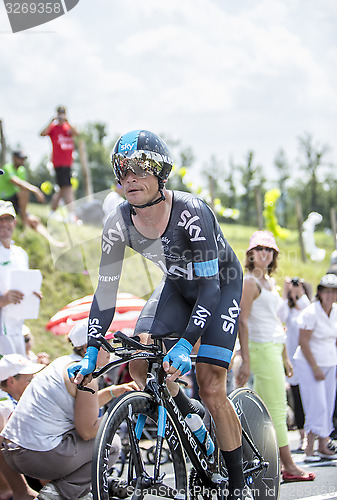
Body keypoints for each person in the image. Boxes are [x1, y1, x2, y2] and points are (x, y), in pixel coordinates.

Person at [68, 129, 252, 500]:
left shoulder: (192, 212)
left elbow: (210, 289)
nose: (130, 177)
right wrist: (91, 347)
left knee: (212, 383)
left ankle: (238, 486)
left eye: (140, 168)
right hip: (177, 286)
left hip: (218, 286)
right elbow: (106, 293)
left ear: (161, 174)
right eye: (123, 169)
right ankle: (192, 418)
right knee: (139, 364)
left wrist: (186, 343)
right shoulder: (117, 222)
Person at [1, 320, 138, 500]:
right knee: (112, 443)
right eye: (107, 343)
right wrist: (119, 413)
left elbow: (81, 410)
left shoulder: (63, 363)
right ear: (89, 347)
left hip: (12, 454)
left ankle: (67, 493)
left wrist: (113, 392)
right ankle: (57, 495)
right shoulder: (85, 374)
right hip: (36, 456)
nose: (111, 349)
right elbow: (87, 430)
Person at [237, 230, 315, 483]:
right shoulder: (250, 281)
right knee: (277, 410)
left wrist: (285, 356)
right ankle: (289, 466)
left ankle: (268, 464)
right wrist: (246, 359)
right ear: (251, 253)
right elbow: (243, 321)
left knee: (265, 413)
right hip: (261, 349)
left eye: (269, 250)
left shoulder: (269, 282)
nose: (265, 253)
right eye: (260, 248)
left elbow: (276, 322)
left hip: (273, 347)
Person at [294, 273, 337, 460]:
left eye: (333, 292)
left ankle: (323, 444)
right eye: (326, 291)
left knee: (327, 404)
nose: (330, 295)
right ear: (320, 292)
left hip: (329, 362)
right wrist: (315, 368)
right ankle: (309, 447)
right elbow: (303, 343)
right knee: (316, 404)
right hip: (308, 363)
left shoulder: (335, 312)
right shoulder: (311, 312)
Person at [0, 201, 42, 356]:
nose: (4, 224)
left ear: (15, 222)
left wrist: (34, 295)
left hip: (18, 329)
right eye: (0, 220)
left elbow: (25, 285)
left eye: (8, 219)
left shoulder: (20, 253)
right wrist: (3, 299)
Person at [0, 353, 45, 500]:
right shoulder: (4, 406)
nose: (33, 382)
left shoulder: (17, 399)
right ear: (11, 380)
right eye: (29, 379)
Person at [277, 277, 312, 451]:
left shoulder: (307, 306)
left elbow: (306, 309)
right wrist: (286, 292)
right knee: (297, 399)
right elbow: (279, 315)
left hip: (307, 359)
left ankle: (313, 435)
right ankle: (302, 436)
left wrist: (300, 295)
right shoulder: (289, 309)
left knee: (308, 398)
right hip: (292, 360)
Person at [40, 106, 79, 215]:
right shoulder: (53, 127)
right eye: (60, 113)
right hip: (58, 162)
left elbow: (77, 134)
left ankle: (52, 211)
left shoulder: (68, 127)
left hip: (68, 162)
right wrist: (51, 121)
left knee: (62, 188)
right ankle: (72, 214)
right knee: (67, 187)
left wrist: (68, 122)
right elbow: (42, 134)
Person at [0, 151, 45, 229]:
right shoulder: (7, 168)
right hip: (6, 200)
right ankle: (24, 220)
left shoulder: (22, 170)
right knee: (24, 191)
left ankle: (53, 241)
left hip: (17, 203)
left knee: (35, 220)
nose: (22, 161)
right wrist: (35, 190)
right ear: (14, 158)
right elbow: (17, 182)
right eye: (20, 158)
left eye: (23, 159)